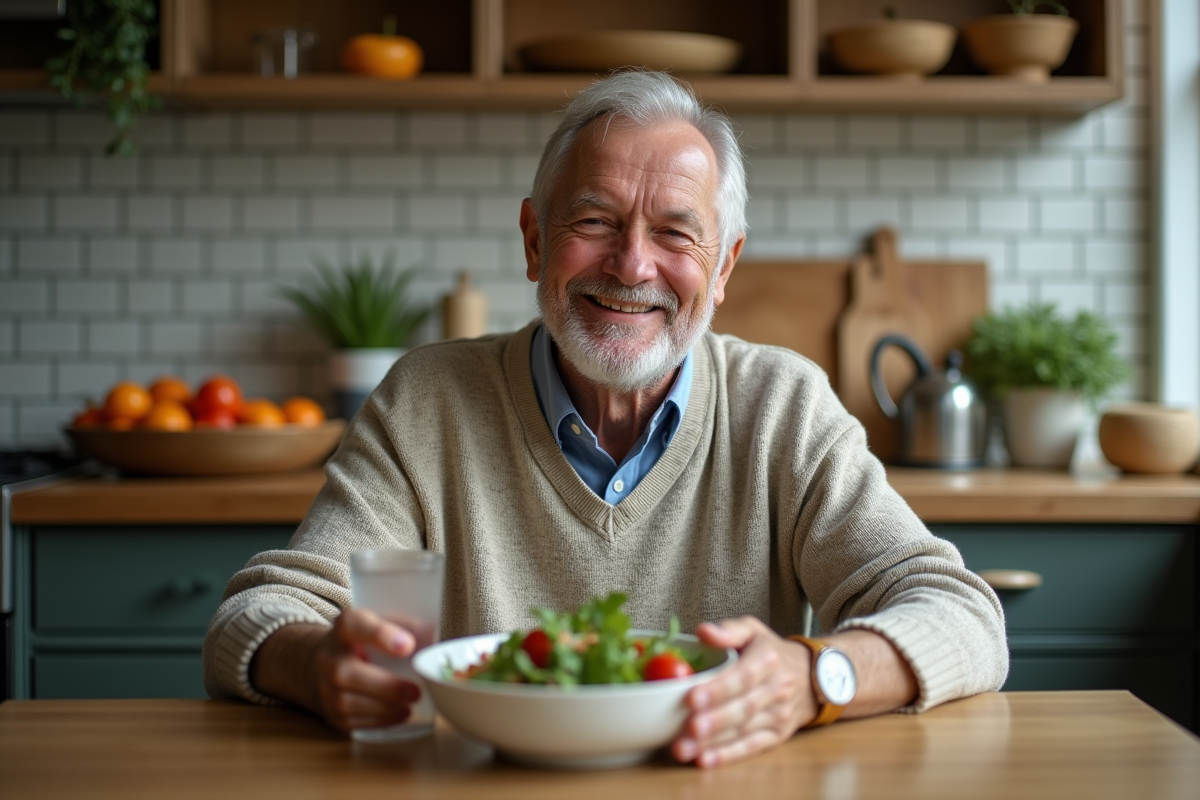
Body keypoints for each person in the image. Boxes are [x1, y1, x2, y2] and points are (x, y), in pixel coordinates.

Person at [203, 70, 1007, 768]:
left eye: (675, 233)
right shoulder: (429, 400)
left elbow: (962, 615)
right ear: (533, 240)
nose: (631, 264)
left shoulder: (783, 406)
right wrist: (315, 664)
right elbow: (257, 613)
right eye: (593, 221)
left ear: (722, 266)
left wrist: (815, 677)